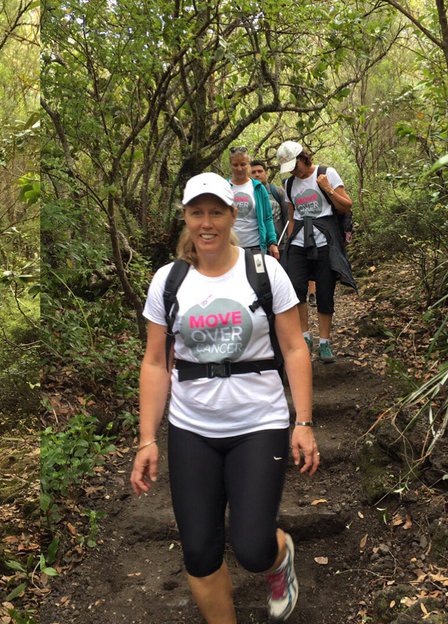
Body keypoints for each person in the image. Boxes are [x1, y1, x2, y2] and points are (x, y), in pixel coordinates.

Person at [131, 172, 318, 624]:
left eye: (217, 212)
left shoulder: (264, 271)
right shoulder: (168, 281)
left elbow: (294, 347)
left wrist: (304, 422)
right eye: (198, 212)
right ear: (186, 217)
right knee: (199, 550)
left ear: (234, 215)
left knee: (253, 548)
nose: (207, 222)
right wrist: (146, 438)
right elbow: (156, 362)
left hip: (259, 422)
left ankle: (279, 558)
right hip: (192, 426)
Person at [275, 140, 357, 363]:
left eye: (296, 165)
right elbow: (292, 217)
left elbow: (346, 206)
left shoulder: (326, 173)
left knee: (324, 291)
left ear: (304, 158)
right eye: (290, 168)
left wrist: (328, 189)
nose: (294, 171)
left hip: (324, 241)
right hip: (299, 242)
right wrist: (288, 246)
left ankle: (325, 342)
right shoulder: (289, 184)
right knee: (297, 288)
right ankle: (304, 336)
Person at [227, 147, 279, 257]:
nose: (239, 168)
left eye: (243, 164)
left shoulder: (259, 188)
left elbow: (267, 218)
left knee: (256, 274)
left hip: (255, 247)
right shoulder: (225, 187)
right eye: (235, 165)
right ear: (230, 165)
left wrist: (273, 242)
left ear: (249, 165)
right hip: (230, 247)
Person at [250, 159, 289, 247]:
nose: (257, 174)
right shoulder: (248, 195)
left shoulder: (278, 192)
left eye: (260, 171)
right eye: (253, 172)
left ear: (266, 172)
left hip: (279, 244)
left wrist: (289, 240)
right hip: (256, 244)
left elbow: (287, 216)